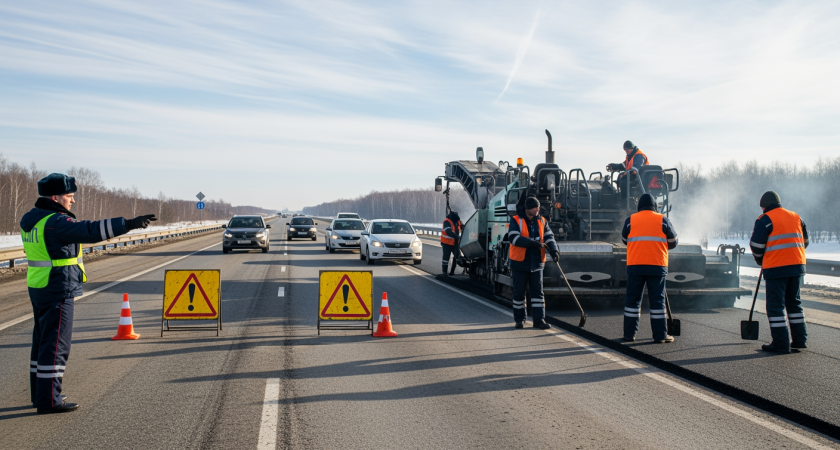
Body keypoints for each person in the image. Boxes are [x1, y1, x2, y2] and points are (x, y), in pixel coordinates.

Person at [20, 173, 157, 414]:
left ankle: (40, 395)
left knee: (42, 344)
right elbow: (90, 230)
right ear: (56, 197)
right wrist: (129, 223)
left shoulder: (33, 220)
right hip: (57, 288)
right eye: (69, 196)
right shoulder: (55, 221)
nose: (72, 201)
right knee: (56, 346)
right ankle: (50, 400)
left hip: (39, 287)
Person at [749, 191, 809, 354]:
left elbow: (756, 246)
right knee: (794, 303)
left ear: (764, 206)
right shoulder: (796, 217)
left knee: (775, 306)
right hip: (797, 266)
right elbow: (805, 241)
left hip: (776, 268)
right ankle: (799, 340)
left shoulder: (765, 219)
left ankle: (781, 343)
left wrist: (760, 260)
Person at [621, 193, 678, 343]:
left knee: (632, 302)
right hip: (656, 265)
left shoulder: (630, 220)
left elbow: (624, 239)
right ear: (655, 206)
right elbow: (674, 241)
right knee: (657, 302)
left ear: (639, 206)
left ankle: (629, 335)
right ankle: (660, 336)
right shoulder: (663, 220)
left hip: (635, 265)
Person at [508, 196, 560, 329]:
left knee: (537, 293)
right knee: (519, 292)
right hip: (520, 262)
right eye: (535, 207)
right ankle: (519, 319)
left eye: (538, 207)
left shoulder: (542, 221)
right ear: (527, 209)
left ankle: (539, 320)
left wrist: (554, 250)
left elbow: (549, 236)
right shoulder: (515, 220)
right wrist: (532, 243)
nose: (538, 209)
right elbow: (513, 238)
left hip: (536, 263)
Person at [440, 211, 461, 276]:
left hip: (455, 243)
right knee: (446, 257)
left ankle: (452, 272)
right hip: (446, 243)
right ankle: (444, 272)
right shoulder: (447, 221)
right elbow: (448, 231)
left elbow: (462, 227)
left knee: (457, 256)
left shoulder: (458, 222)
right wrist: (456, 236)